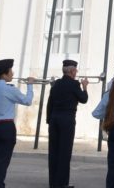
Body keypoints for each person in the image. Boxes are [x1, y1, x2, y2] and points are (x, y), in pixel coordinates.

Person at [0, 59, 34, 188]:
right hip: (5, 128)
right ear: (4, 74)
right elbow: (27, 101)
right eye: (11, 71)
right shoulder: (9, 89)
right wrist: (30, 85)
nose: (13, 73)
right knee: (2, 163)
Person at [46, 59, 89, 188]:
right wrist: (85, 86)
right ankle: (62, 183)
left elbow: (50, 103)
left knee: (53, 152)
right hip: (67, 120)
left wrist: (49, 120)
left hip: (54, 119)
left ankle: (53, 183)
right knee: (64, 152)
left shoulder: (56, 84)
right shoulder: (74, 84)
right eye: (75, 70)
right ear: (71, 71)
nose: (76, 73)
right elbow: (83, 99)